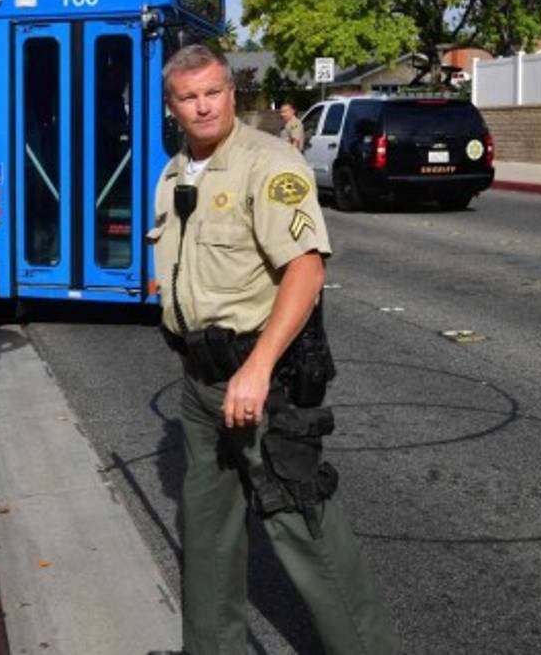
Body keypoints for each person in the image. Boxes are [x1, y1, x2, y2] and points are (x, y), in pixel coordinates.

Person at [147, 46, 395, 655]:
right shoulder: (174, 171)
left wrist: (257, 369)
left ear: (232, 94)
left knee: (302, 523)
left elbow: (306, 271)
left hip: (261, 380)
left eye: (212, 91)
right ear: (172, 106)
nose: (202, 105)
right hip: (201, 385)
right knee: (206, 536)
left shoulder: (269, 164)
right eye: (188, 96)